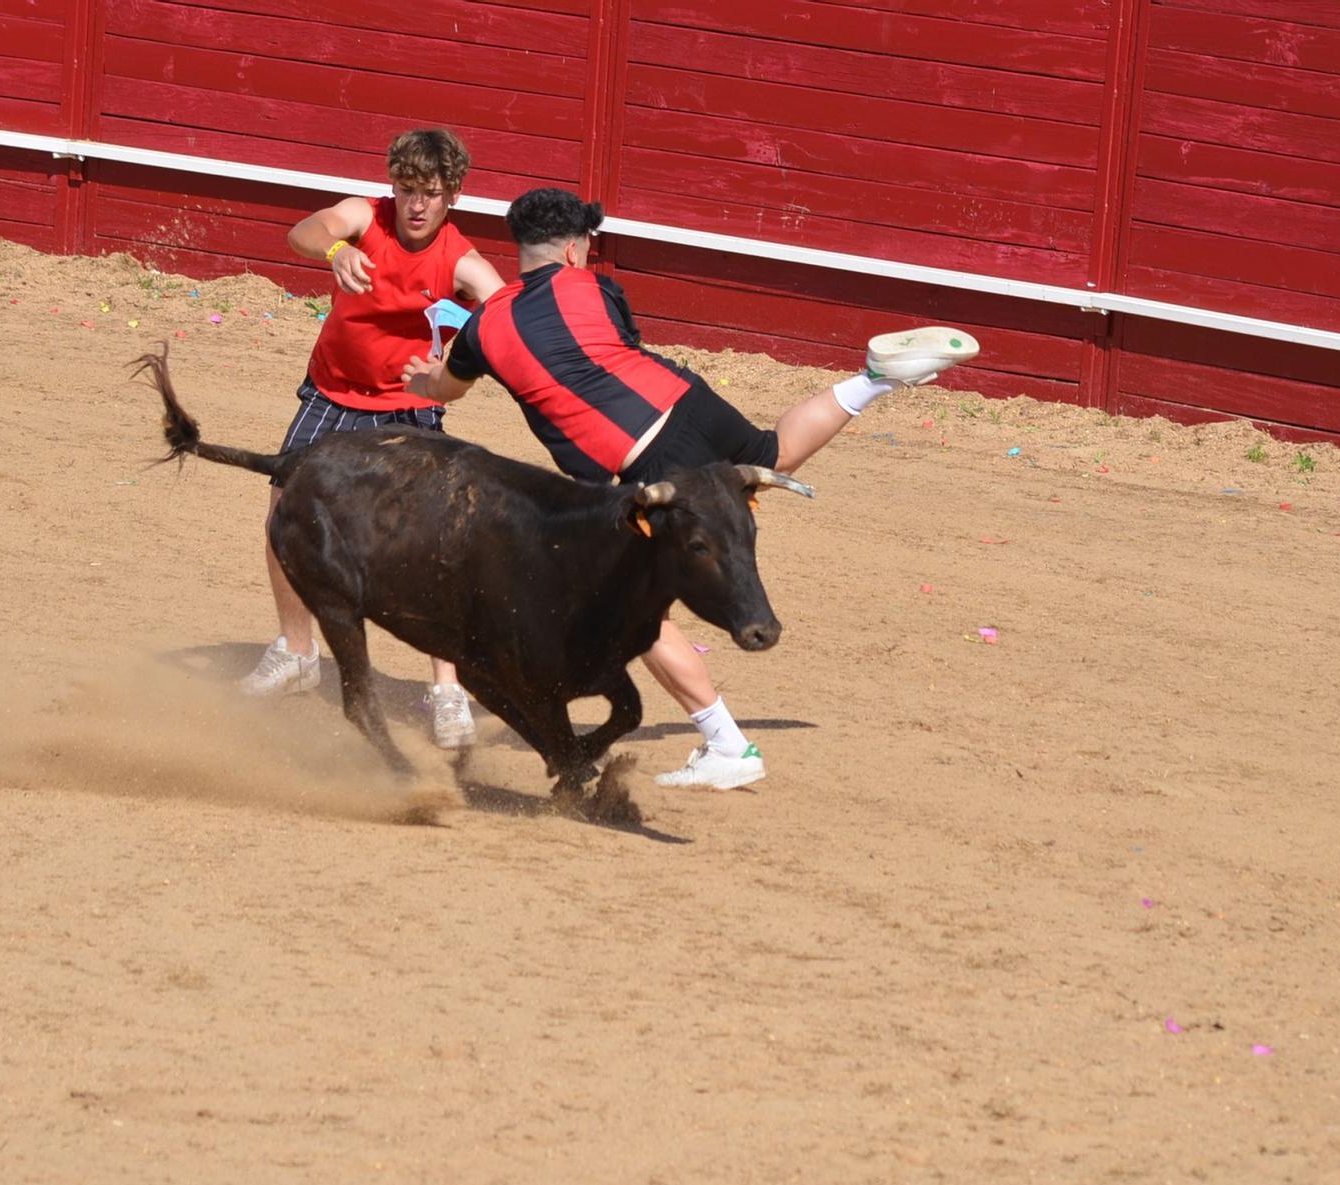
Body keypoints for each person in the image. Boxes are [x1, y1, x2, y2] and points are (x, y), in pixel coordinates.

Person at [403, 187, 978, 789]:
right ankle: (871, 381)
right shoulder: (597, 287)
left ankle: (727, 744)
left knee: (633, 605)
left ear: (520, 247)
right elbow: (618, 346)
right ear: (575, 250)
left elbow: (446, 388)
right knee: (768, 452)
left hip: (637, 457)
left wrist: (423, 382)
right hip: (685, 400)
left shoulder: (482, 328)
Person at [237, 128, 505, 751]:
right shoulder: (364, 218)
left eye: (431, 194)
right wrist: (333, 252)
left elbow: (503, 313)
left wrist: (455, 366)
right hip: (332, 393)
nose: (417, 205)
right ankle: (297, 652)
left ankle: (446, 688)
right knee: (284, 516)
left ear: (453, 197)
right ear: (394, 186)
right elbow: (303, 231)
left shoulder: (464, 263)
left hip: (407, 410)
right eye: (408, 189)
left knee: (432, 543)